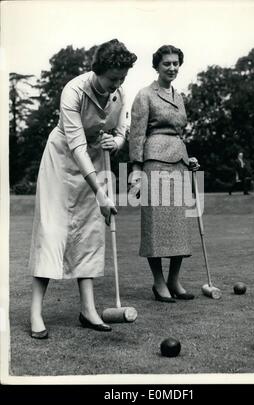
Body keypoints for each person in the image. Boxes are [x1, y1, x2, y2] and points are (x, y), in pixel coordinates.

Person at [29, 39, 137, 338]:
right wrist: (101, 193)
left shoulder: (119, 92)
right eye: (113, 78)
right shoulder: (74, 90)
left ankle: (88, 310)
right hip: (62, 161)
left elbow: (120, 131)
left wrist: (114, 143)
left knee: (90, 232)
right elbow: (76, 144)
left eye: (122, 79)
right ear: (98, 71)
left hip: (95, 161)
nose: (117, 85)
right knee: (52, 232)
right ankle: (35, 312)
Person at [129, 45, 199, 303]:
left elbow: (179, 132)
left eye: (175, 63)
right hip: (154, 163)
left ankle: (174, 280)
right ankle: (159, 283)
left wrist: (187, 155)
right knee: (156, 227)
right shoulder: (145, 95)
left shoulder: (179, 97)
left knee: (179, 226)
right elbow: (136, 134)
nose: (172, 68)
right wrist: (135, 169)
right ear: (156, 66)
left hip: (179, 161)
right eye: (166, 63)